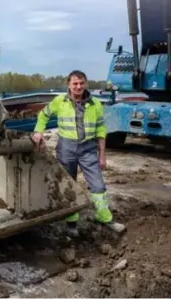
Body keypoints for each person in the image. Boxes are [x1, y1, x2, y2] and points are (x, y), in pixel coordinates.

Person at [31, 70, 126, 237]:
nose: (78, 86)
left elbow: (101, 130)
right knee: (69, 184)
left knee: (98, 185)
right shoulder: (59, 101)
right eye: (75, 83)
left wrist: (102, 155)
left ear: (86, 84)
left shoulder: (95, 104)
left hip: (88, 148)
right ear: (69, 85)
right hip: (66, 148)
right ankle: (71, 221)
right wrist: (38, 131)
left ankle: (104, 218)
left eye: (81, 83)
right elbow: (43, 115)